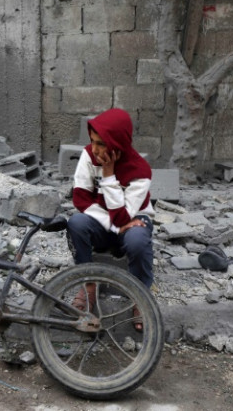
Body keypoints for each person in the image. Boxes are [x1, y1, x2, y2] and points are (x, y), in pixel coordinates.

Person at [66, 108, 155, 330]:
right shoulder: (88, 155)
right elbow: (80, 198)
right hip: (108, 223)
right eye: (93, 141)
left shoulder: (140, 171)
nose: (95, 149)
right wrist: (113, 226)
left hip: (134, 220)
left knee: (137, 240)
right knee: (76, 223)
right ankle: (89, 285)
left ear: (117, 143)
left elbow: (124, 216)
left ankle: (140, 295)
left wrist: (108, 174)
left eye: (102, 144)